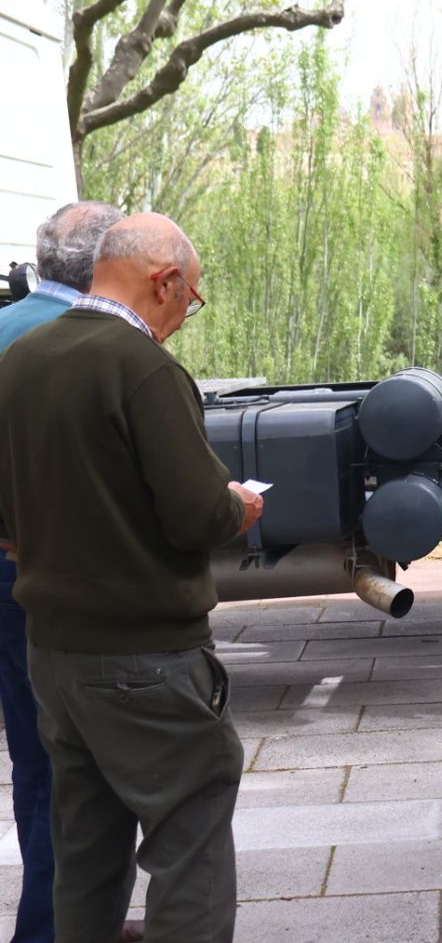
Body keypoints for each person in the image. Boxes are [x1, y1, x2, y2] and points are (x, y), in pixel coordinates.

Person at [0, 213, 264, 942]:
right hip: (146, 656)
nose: (186, 313)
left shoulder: (21, 359)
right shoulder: (142, 366)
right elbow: (193, 513)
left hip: (53, 657)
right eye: (192, 297)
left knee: (85, 849)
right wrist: (235, 506)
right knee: (192, 840)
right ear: (164, 281)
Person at [0, 200, 124, 943]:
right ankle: (53, 929)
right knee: (83, 767)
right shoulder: (90, 343)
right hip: (58, 582)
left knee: (36, 758)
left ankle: (77, 917)